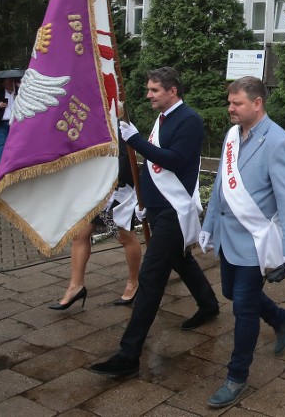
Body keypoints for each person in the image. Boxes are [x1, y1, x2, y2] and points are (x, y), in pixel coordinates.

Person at [89, 67, 219, 378]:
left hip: (175, 211)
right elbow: (152, 167)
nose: (148, 95)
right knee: (181, 260)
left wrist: (134, 139)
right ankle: (209, 305)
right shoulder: (163, 118)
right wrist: (145, 204)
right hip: (159, 209)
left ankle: (128, 354)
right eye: (149, 90)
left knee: (149, 279)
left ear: (172, 91)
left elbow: (172, 160)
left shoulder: (190, 120)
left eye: (154, 90)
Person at [199, 76, 285, 408]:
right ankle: (280, 318)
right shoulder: (233, 136)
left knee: (242, 306)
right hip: (228, 236)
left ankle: (236, 376)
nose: (229, 108)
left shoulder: (278, 142)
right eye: (229, 102)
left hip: (254, 241)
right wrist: (208, 224)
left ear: (257, 104)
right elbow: (220, 184)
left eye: (237, 103)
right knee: (232, 292)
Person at [48, 139, 142, 310]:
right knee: (79, 234)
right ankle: (75, 287)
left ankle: (134, 282)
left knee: (124, 236)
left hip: (114, 191)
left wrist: (112, 184)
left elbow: (124, 156)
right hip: (90, 189)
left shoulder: (116, 119)